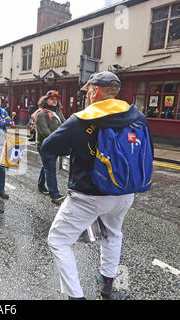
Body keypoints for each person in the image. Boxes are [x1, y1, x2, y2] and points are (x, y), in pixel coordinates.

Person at [42, 71, 153, 300]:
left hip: (88, 196)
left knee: (59, 240)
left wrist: (73, 148)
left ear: (95, 90)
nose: (87, 96)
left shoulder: (81, 119)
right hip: (125, 192)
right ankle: (107, 285)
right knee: (113, 234)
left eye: (87, 92)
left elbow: (47, 147)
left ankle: (76, 296)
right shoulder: (137, 116)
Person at [35, 90, 66, 205]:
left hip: (55, 145)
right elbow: (45, 133)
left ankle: (41, 186)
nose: (54, 100)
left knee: (46, 166)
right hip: (45, 146)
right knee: (51, 169)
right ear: (46, 100)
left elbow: (65, 125)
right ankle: (55, 195)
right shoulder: (41, 114)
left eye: (56, 99)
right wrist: (60, 139)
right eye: (52, 98)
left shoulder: (58, 112)